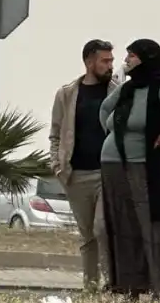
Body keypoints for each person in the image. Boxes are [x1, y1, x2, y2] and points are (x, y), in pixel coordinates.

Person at [99, 38, 160, 298]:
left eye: (132, 56)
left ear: (146, 58)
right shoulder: (128, 89)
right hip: (114, 165)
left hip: (144, 166)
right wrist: (113, 136)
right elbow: (105, 109)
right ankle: (129, 288)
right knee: (122, 227)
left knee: (152, 226)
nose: (127, 60)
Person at [48, 40, 117, 289]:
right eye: (105, 61)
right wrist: (57, 164)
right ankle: (90, 287)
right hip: (75, 175)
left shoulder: (117, 91)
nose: (110, 65)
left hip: (107, 173)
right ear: (89, 62)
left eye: (111, 60)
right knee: (88, 235)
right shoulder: (66, 94)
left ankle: (112, 284)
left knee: (103, 228)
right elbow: (56, 134)